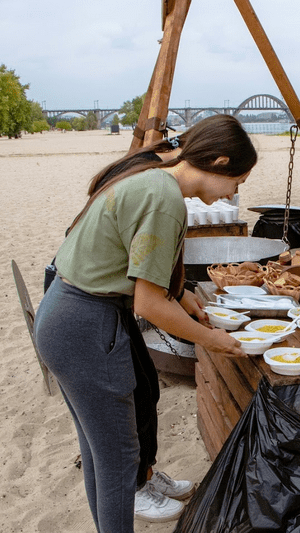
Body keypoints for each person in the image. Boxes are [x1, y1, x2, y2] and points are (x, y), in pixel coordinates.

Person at [34, 114, 256, 531]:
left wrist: (184, 295)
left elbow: (132, 265)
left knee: (103, 456)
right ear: (221, 162)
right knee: (118, 461)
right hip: (85, 325)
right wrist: (212, 340)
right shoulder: (164, 198)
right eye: (237, 182)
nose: (234, 192)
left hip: (63, 313)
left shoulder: (153, 173)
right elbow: (149, 304)